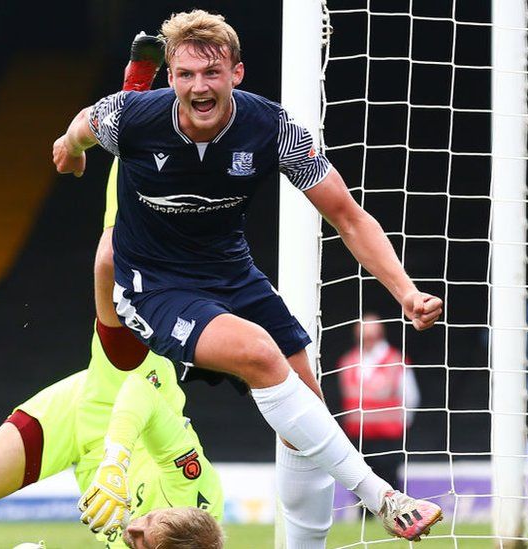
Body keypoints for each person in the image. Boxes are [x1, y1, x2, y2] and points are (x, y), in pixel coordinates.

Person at [52, 9, 444, 545]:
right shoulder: (131, 117)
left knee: (305, 412)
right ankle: (381, 496)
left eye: (211, 73)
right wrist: (71, 152)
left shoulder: (272, 128)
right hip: (154, 282)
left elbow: (348, 215)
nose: (199, 86)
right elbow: (80, 128)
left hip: (231, 273)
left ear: (236, 73)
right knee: (261, 355)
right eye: (186, 74)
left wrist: (404, 291)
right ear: (170, 79)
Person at [0, 286, 223, 549]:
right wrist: (115, 464)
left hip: (76, 431)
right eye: (148, 525)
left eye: (142, 544)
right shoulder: (196, 489)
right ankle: (126, 202)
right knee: (112, 271)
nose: (133, 532)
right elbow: (139, 393)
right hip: (123, 397)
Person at [337, 313, 420, 493]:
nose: (367, 340)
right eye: (363, 335)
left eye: (371, 335)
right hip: (357, 436)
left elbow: (410, 397)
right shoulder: (349, 361)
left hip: (388, 437)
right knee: (359, 484)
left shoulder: (395, 359)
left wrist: (402, 424)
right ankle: (364, 520)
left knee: (389, 483)